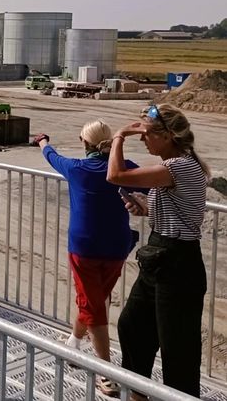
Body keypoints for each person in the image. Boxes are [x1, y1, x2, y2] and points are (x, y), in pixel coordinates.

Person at [107, 104, 209, 399]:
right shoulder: (172, 166)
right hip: (160, 256)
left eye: (148, 134)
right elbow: (180, 212)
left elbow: (115, 175)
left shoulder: (177, 166)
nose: (143, 139)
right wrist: (146, 207)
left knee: (177, 349)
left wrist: (118, 137)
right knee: (132, 328)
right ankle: (138, 393)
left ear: (167, 136)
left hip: (178, 263)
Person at [35, 121, 139, 398]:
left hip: (85, 248)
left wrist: (43, 141)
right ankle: (73, 342)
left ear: (84, 143)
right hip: (118, 246)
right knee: (93, 300)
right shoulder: (126, 167)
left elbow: (51, 156)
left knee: (93, 307)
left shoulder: (78, 170)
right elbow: (153, 187)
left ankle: (106, 374)